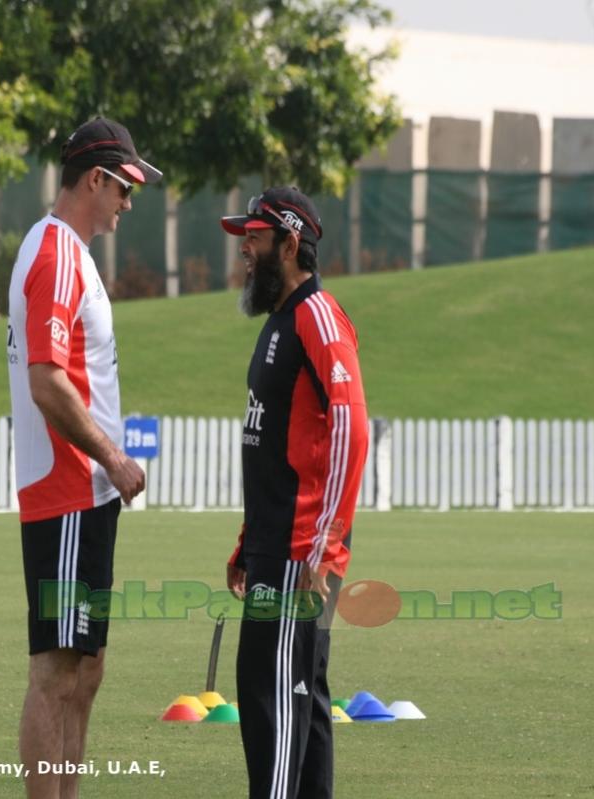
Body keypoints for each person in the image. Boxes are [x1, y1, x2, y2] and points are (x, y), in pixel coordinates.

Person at [6, 116, 161, 799]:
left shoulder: (70, 252)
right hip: (68, 490)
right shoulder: (56, 255)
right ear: (94, 179)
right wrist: (114, 458)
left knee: (86, 667)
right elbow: (48, 382)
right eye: (124, 187)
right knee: (58, 671)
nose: (129, 203)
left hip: (87, 495)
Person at [220, 187, 370, 799]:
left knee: (272, 693)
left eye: (254, 239)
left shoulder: (317, 315)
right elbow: (281, 449)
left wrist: (324, 545)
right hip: (276, 546)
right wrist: (248, 543)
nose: (245, 253)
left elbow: (351, 430)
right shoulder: (281, 321)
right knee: (297, 694)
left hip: (300, 552)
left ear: (290, 243)